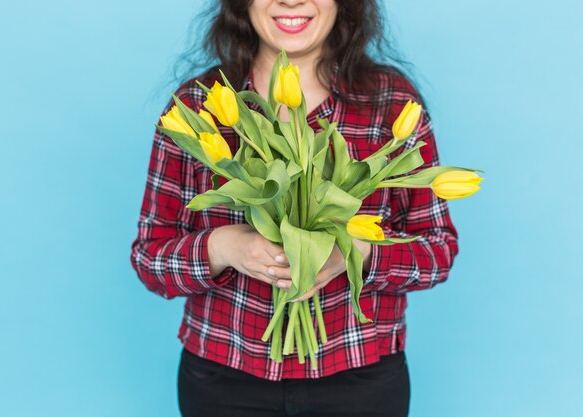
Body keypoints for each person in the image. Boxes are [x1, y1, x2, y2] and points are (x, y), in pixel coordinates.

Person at [130, 0, 459, 416]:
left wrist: (353, 254)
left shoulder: (391, 105)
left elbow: (437, 252)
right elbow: (148, 258)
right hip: (223, 376)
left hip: (359, 377)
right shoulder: (197, 107)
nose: (291, 0)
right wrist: (223, 248)